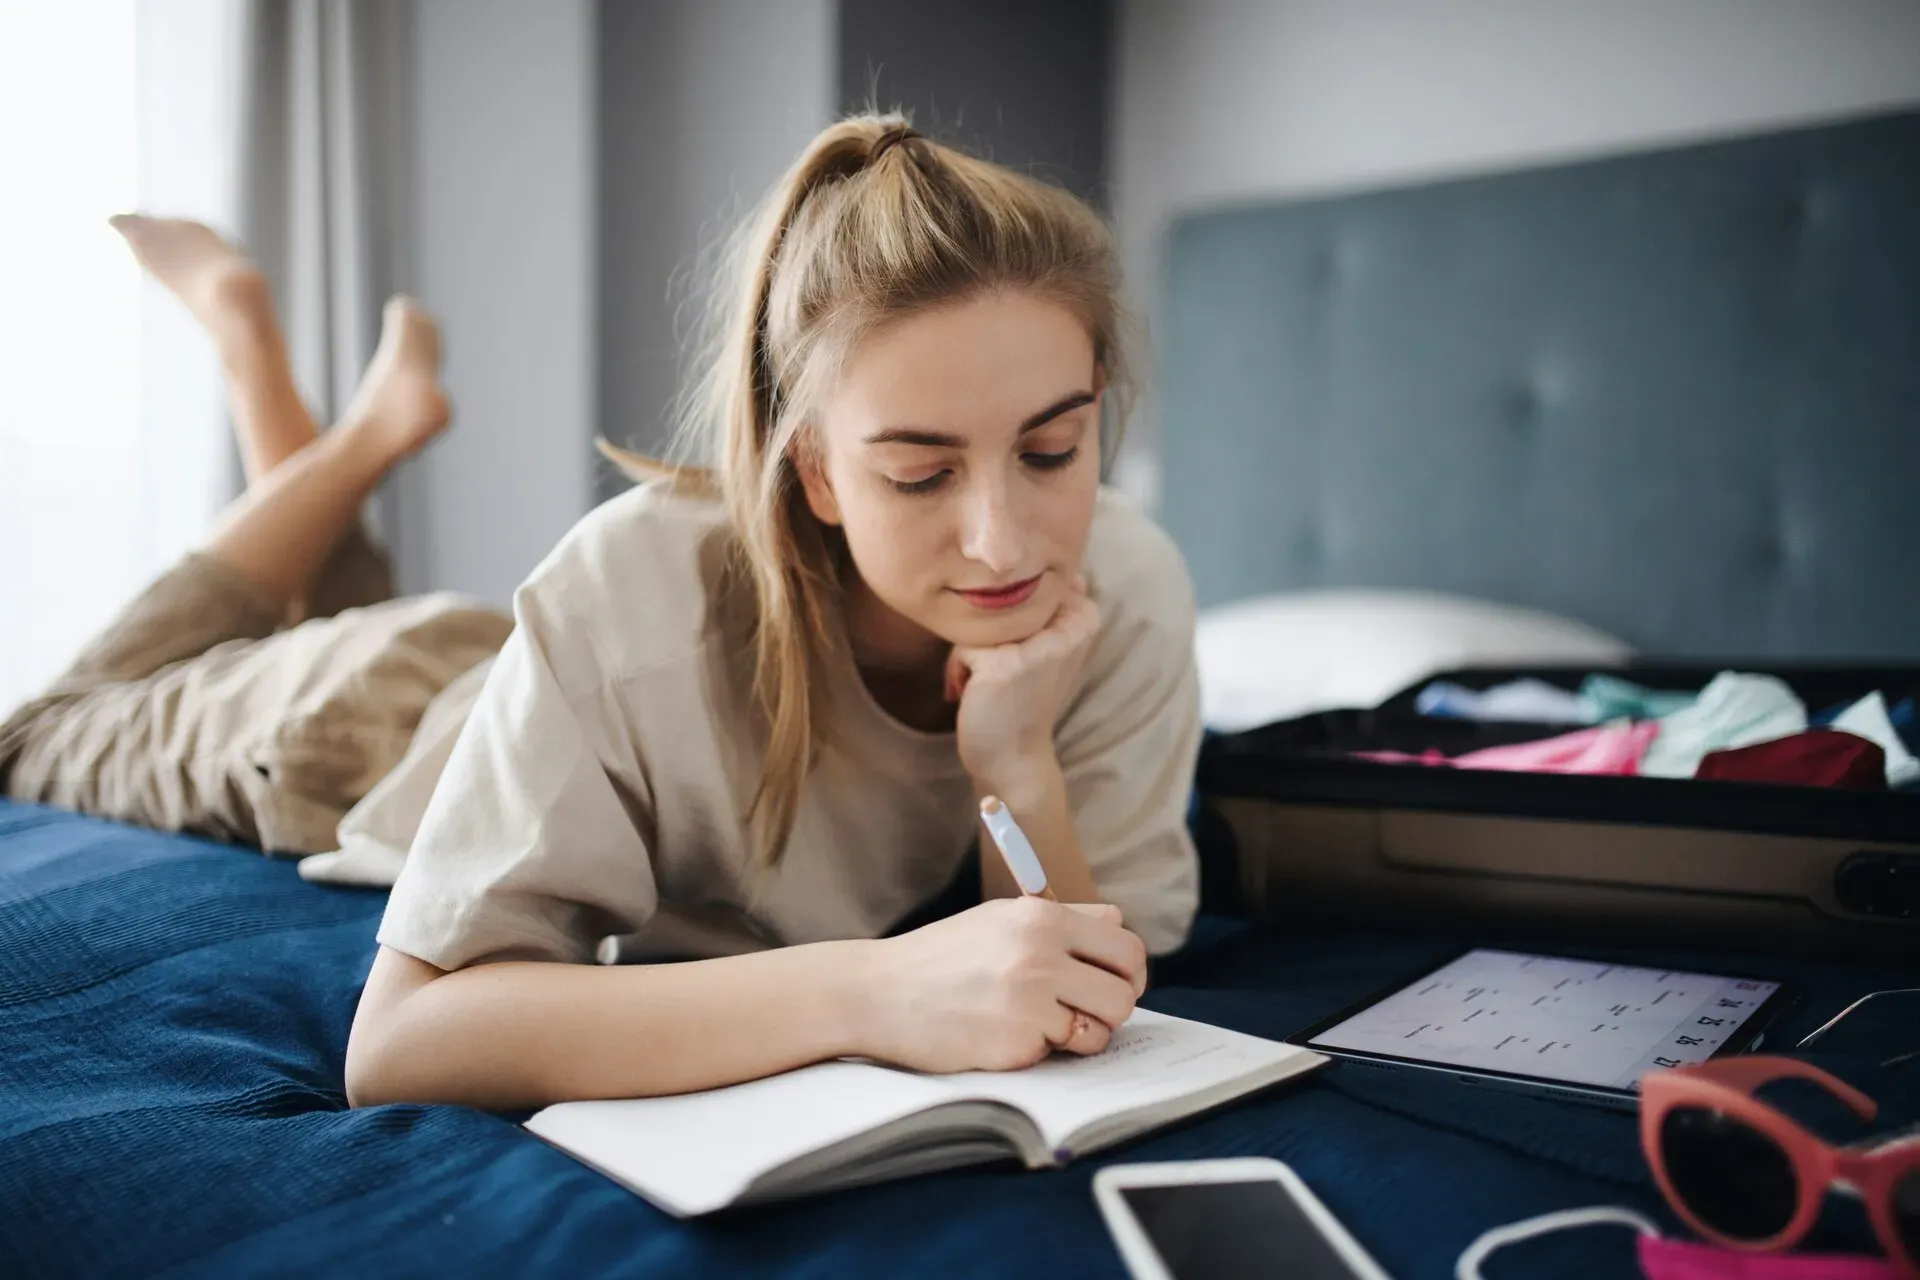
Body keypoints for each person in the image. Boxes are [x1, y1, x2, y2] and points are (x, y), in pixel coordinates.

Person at [7, 114, 1204, 1111]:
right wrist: (871, 989)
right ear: (816, 472)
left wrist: (1015, 762)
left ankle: (332, 408)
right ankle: (309, 386)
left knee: (335, 605)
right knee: (42, 730)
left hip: (550, 693)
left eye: (1052, 449)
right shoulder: (637, 588)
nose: (1004, 539)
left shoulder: (1125, 584)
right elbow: (402, 1042)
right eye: (921, 472)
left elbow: (1080, 980)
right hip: (368, 726)